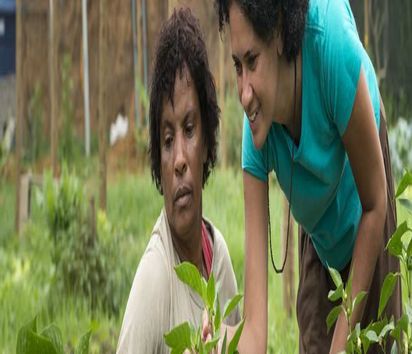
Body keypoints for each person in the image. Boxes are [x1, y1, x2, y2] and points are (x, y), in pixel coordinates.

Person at [212, 0, 401, 352]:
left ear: (281, 35)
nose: (244, 92)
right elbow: (254, 333)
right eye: (237, 66)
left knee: (377, 343)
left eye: (252, 61)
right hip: (319, 221)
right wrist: (217, 343)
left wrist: (341, 344)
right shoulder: (255, 138)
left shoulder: (333, 48)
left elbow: (375, 205)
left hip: (365, 197)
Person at [116, 7, 240, 353]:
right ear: (158, 157)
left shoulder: (218, 259)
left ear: (208, 142)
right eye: (168, 140)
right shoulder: (155, 280)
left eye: (189, 129)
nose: (180, 160)